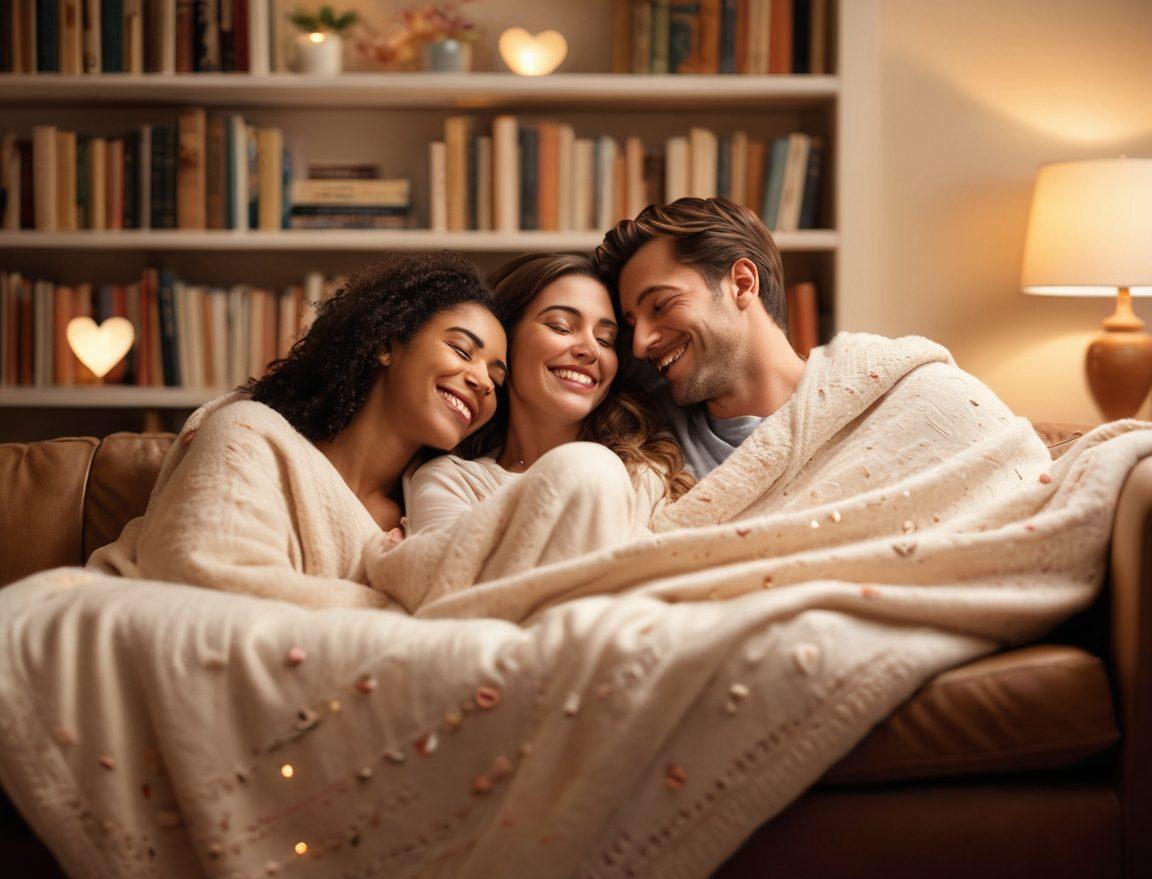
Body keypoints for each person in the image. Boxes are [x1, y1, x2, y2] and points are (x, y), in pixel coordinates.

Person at [86, 253, 507, 609]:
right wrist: (398, 611)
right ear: (388, 344)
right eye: (461, 350)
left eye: (497, 379)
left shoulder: (431, 514)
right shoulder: (251, 434)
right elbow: (204, 582)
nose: (483, 382)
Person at [402, 252, 694, 535]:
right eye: (562, 327)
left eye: (606, 340)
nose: (591, 350)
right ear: (506, 340)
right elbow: (448, 577)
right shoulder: (453, 481)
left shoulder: (643, 473)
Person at [595, 196, 805, 479]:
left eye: (661, 305)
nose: (640, 345)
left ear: (742, 284)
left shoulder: (866, 414)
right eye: (632, 326)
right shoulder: (642, 446)